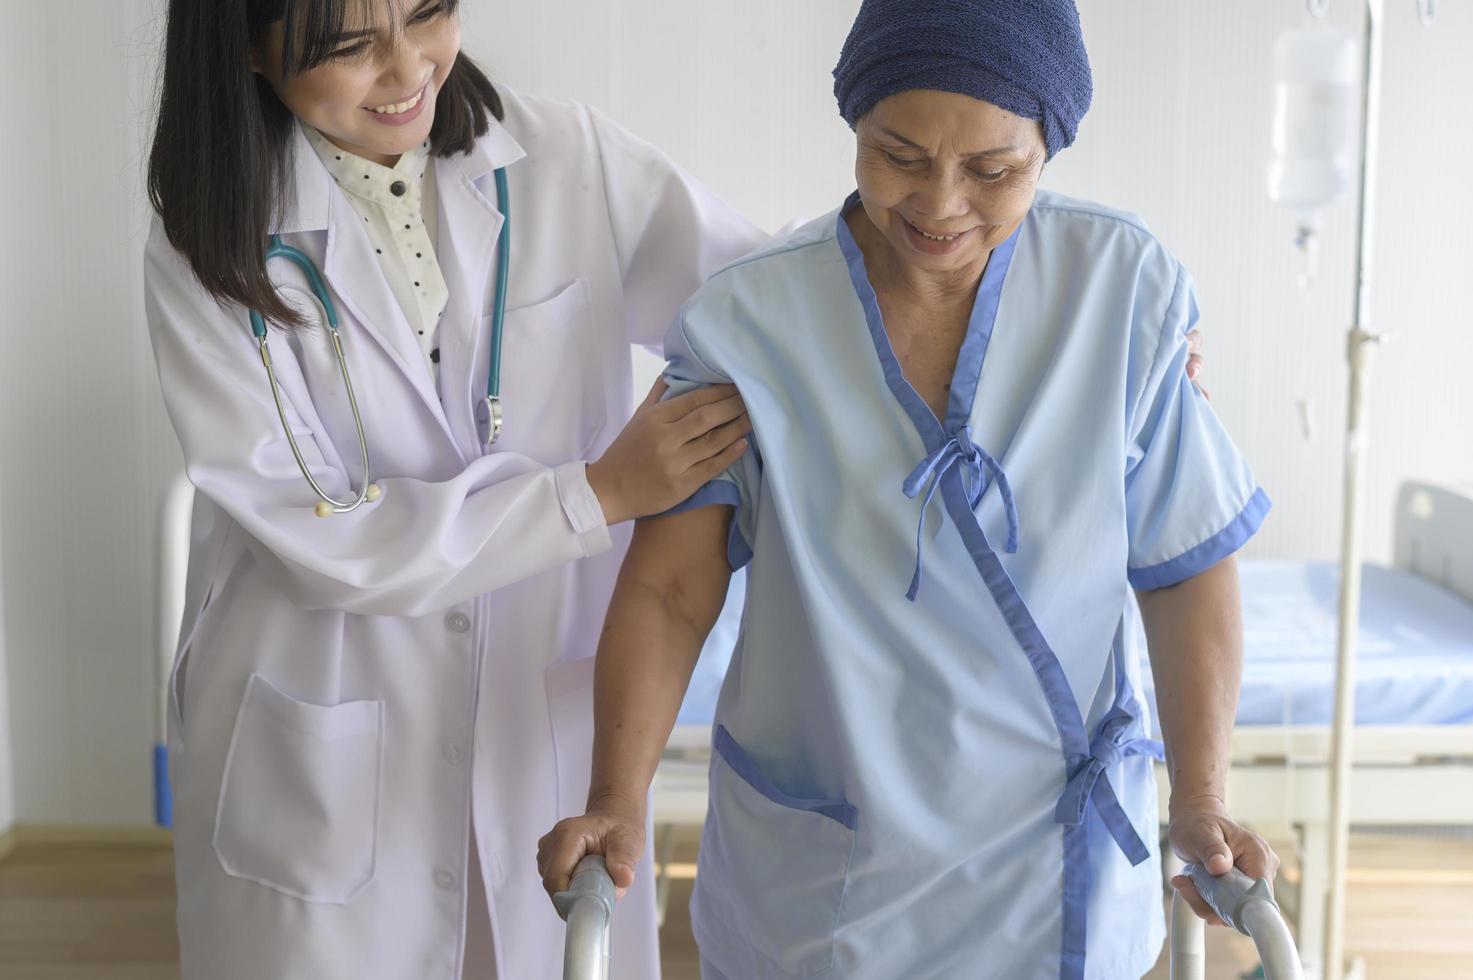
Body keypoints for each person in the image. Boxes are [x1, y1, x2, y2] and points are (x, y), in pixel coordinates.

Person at [536, 1, 1272, 978]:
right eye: (900, 154)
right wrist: (617, 796)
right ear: (854, 123)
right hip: (832, 882)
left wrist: (1203, 795)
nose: (940, 203)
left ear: (1048, 146)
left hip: (1056, 877)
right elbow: (671, 590)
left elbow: (1184, 569)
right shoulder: (750, 325)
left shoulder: (1122, 291)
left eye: (993, 170)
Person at [142, 0, 768, 976]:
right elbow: (322, 536)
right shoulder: (209, 241)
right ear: (251, 49)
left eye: (427, 12)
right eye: (350, 45)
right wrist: (592, 491)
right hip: (322, 721)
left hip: (537, 713)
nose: (406, 69)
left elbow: (770, 301)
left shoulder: (570, 161)